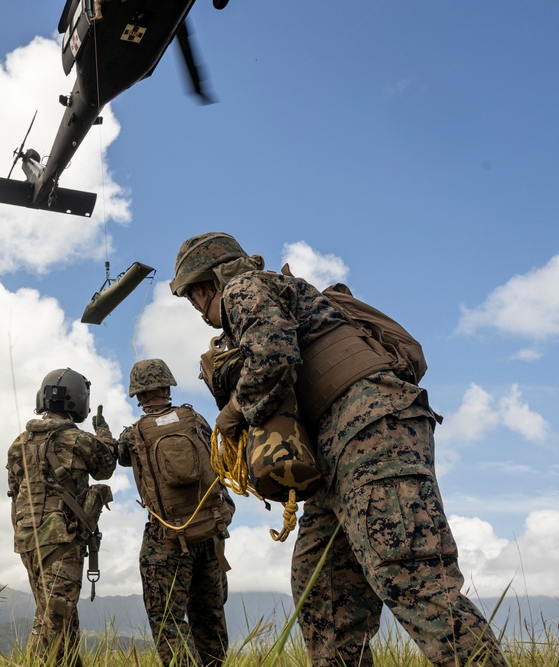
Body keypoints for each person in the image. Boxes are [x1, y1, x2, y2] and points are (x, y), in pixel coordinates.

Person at [169, 232, 508, 667]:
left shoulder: (243, 287)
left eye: (192, 298)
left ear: (204, 285)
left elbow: (272, 353)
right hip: (339, 456)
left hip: (370, 435)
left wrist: (235, 410)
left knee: (412, 580)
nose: (196, 310)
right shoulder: (265, 295)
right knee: (322, 591)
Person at [117, 358, 235, 667]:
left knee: (167, 619)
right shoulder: (194, 418)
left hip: (167, 537)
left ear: (138, 396)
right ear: (168, 387)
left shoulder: (134, 434)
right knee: (209, 617)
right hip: (210, 531)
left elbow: (119, 458)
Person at [7, 367, 118, 667]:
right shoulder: (77, 440)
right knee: (54, 624)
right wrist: (104, 431)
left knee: (57, 619)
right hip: (62, 542)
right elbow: (106, 464)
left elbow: (14, 490)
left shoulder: (19, 443)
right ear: (78, 400)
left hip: (27, 542)